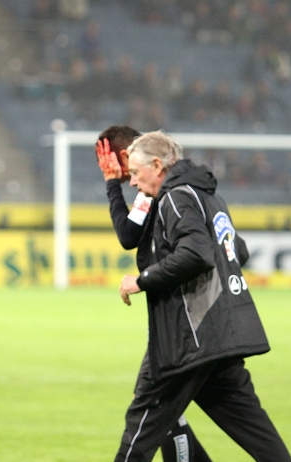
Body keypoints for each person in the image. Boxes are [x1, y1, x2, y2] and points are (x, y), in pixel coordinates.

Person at [116, 130, 291, 461]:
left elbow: (196, 254)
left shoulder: (175, 197)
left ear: (157, 165)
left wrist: (142, 279)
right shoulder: (209, 197)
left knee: (141, 428)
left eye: (136, 173)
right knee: (257, 433)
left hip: (190, 338)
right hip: (222, 334)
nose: (133, 182)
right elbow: (237, 251)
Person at [96, 125, 211, 462]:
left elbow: (128, 235)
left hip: (181, 312)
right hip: (184, 310)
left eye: (107, 163)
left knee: (154, 405)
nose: (118, 174)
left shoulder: (158, 186)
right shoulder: (158, 185)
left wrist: (109, 186)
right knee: (161, 405)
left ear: (120, 156)